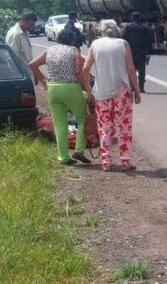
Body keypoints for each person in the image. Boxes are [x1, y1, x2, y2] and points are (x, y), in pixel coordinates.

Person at [82, 19, 142, 172]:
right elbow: (130, 69)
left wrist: (89, 90)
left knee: (104, 128)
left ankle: (106, 162)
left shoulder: (95, 45)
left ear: (101, 30)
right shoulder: (123, 43)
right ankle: (125, 162)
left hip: (101, 93)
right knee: (124, 128)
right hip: (121, 92)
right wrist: (136, 90)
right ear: (116, 30)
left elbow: (85, 69)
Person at [28, 29, 95, 165]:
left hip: (53, 89)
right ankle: (79, 150)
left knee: (59, 124)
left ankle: (63, 157)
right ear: (72, 40)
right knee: (82, 119)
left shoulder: (49, 51)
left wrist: (43, 81)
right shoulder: (74, 50)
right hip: (71, 88)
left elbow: (32, 64)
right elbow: (78, 72)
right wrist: (88, 89)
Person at [122, 12, 152, 93]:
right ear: (140, 18)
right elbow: (149, 41)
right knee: (142, 71)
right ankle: (141, 88)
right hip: (141, 52)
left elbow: (123, 39)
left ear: (132, 18)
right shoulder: (144, 28)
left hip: (131, 52)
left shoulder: (128, 27)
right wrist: (148, 53)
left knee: (131, 70)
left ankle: (131, 87)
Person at [5, 10, 36, 82]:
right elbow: (12, 59)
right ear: (23, 20)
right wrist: (18, 79)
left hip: (28, 73)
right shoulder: (15, 34)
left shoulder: (26, 32)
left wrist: (34, 73)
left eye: (33, 25)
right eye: (30, 24)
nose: (31, 27)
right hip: (21, 77)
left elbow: (28, 57)